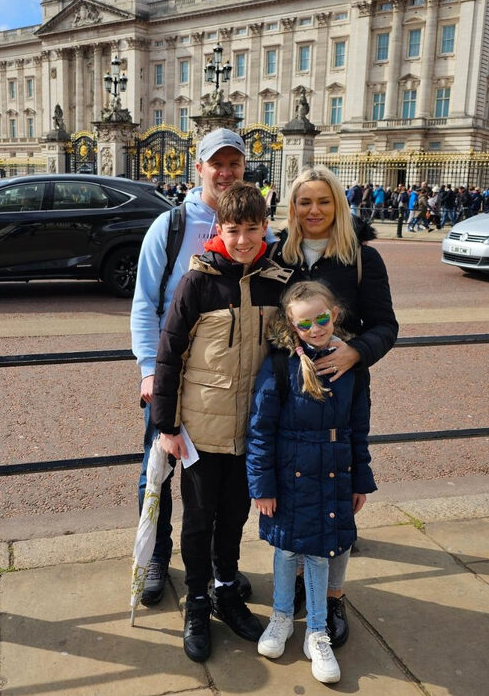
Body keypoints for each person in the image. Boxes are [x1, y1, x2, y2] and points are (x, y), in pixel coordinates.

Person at [150, 182, 292, 662]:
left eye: (253, 229)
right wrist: (166, 426)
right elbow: (169, 355)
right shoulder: (199, 282)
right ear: (220, 230)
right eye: (234, 230)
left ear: (265, 228)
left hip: (251, 429)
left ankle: (226, 589)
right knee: (198, 520)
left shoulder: (279, 279)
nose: (244, 239)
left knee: (234, 515)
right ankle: (196, 600)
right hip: (200, 428)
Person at [131, 128, 264, 607]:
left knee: (219, 483)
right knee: (160, 473)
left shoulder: (251, 221)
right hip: (171, 374)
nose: (226, 172)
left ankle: (211, 568)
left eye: (234, 164)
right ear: (200, 168)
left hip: (225, 385)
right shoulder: (169, 227)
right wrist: (149, 370)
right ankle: (155, 561)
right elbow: (145, 304)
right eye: (217, 164)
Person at [269, 164, 397, 649]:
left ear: (337, 205)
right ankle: (299, 587)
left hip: (340, 393)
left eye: (324, 201)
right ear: (294, 207)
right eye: (305, 202)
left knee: (335, 501)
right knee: (292, 493)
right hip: (289, 394)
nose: (314, 210)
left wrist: (355, 351)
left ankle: (335, 595)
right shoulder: (277, 255)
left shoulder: (362, 258)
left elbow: (386, 326)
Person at [246, 280, 376, 684]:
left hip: (334, 471)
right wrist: (262, 485)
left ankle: (316, 630)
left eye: (322, 319)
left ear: (334, 314)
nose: (316, 328)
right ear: (291, 323)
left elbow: (359, 425)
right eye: (306, 323)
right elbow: (260, 429)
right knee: (286, 551)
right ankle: (282, 616)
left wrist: (361, 478)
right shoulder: (280, 363)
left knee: (322, 552)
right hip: (289, 472)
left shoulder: (352, 362)